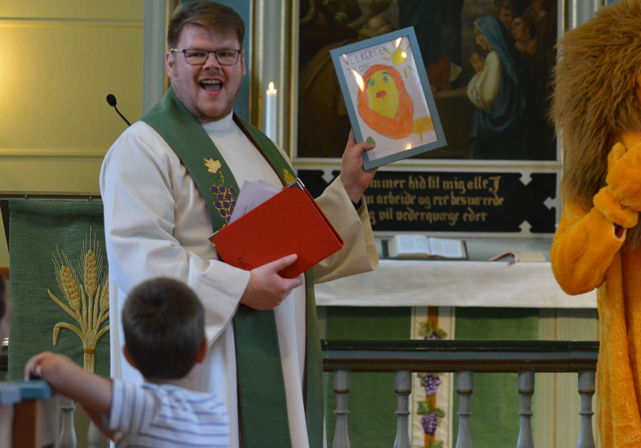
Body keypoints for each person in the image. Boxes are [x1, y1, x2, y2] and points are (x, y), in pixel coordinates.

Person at [99, 2, 379, 447]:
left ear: (242, 65)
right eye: (196, 54)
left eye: (226, 54)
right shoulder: (142, 149)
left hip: (277, 356)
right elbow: (141, 263)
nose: (212, 64)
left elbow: (297, 248)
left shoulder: (267, 151)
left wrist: (347, 190)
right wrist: (240, 287)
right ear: (171, 62)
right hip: (200, 372)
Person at [24, 277, 229, 447]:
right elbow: (118, 430)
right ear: (203, 350)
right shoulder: (217, 412)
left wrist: (43, 360)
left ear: (128, 357)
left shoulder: (143, 406)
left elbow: (56, 369)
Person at [466, 16, 529, 160]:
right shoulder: (505, 57)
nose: (477, 40)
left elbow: (487, 98)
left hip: (496, 126)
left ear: (489, 34)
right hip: (507, 123)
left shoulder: (493, 57)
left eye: (479, 35)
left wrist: (478, 76)